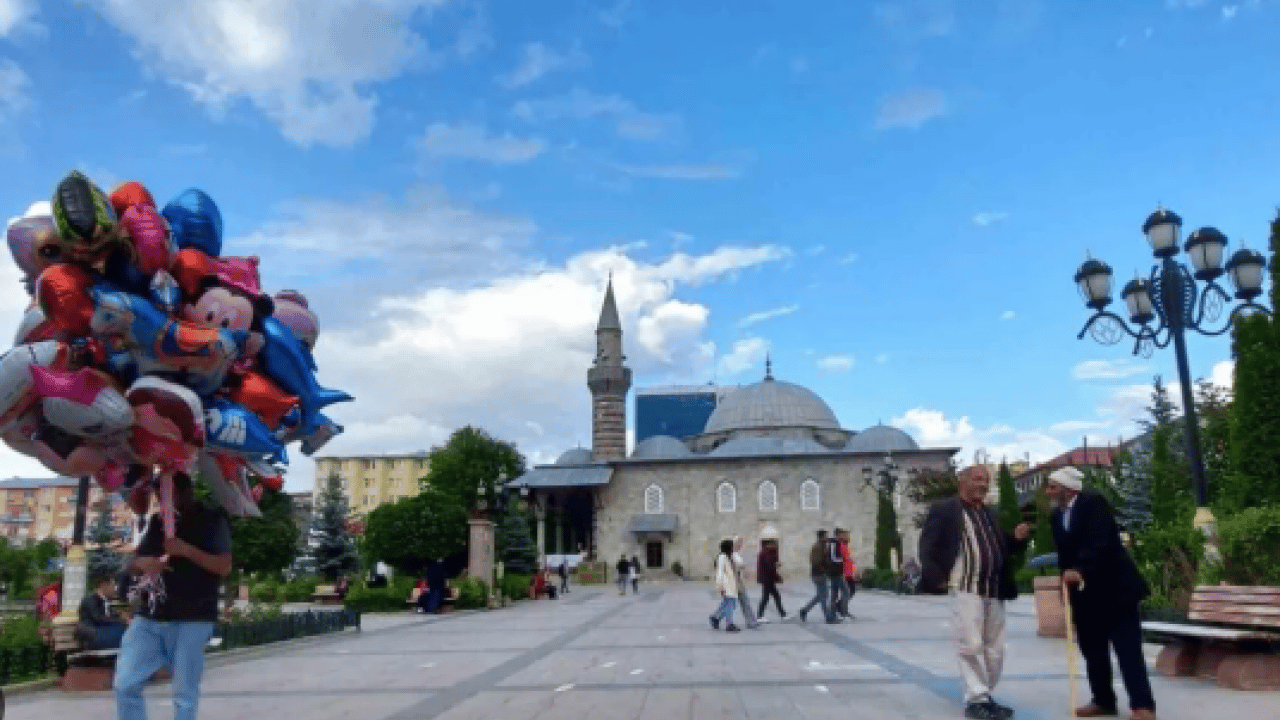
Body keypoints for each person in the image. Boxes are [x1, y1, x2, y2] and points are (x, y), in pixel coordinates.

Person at [114, 472, 233, 720]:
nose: (163, 500)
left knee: (184, 694)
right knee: (125, 683)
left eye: (167, 493)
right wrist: (141, 563)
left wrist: (186, 550)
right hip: (150, 616)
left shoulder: (210, 519)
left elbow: (224, 566)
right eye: (158, 495)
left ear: (184, 491)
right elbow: (135, 561)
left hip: (193, 616)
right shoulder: (157, 523)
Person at [919, 466, 1030, 720]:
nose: (983, 484)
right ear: (963, 481)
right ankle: (976, 698)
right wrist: (935, 575)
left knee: (995, 648)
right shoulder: (945, 509)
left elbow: (1001, 545)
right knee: (970, 644)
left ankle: (984, 696)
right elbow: (928, 544)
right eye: (978, 479)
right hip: (966, 586)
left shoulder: (990, 512)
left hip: (994, 588)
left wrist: (1016, 538)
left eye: (986, 480)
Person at [1047, 467, 1156, 720]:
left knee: (1127, 649)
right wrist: (1066, 583)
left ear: (1069, 488)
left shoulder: (1093, 503)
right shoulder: (1056, 516)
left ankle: (1142, 706)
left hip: (1114, 589)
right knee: (1093, 649)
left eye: (1053, 486)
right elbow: (1065, 554)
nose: (1049, 492)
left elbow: (1101, 542)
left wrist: (1080, 569)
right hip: (1085, 595)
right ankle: (1103, 700)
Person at [77, 573, 129, 650]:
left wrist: (122, 618)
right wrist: (121, 621)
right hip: (93, 638)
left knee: (127, 630)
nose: (115, 590)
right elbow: (98, 619)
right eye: (113, 586)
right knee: (123, 631)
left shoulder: (106, 603)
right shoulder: (90, 600)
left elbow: (111, 618)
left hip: (104, 636)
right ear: (105, 586)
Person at [798, 530, 835, 623]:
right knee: (823, 596)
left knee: (821, 595)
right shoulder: (818, 547)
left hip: (818, 574)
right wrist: (825, 568)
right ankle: (828, 617)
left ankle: (804, 610)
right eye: (826, 536)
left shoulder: (820, 546)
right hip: (819, 574)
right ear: (822, 537)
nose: (827, 538)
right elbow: (816, 561)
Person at [709, 538, 741, 632]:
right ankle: (729, 624)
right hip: (726, 585)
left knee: (728, 604)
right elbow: (720, 572)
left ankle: (715, 617)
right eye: (732, 546)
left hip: (731, 585)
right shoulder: (722, 557)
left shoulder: (729, 556)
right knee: (730, 605)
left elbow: (738, 565)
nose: (733, 548)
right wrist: (720, 586)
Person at [731, 536, 760, 628]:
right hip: (734, 583)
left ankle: (751, 621)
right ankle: (716, 616)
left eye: (741, 543)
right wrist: (742, 566)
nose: (740, 545)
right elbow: (733, 567)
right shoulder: (732, 555)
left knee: (744, 602)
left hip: (738, 582)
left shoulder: (737, 554)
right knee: (731, 603)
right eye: (738, 543)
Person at [756, 538, 786, 621]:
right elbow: (769, 566)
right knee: (767, 597)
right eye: (774, 544)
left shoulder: (768, 552)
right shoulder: (766, 552)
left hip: (768, 578)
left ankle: (782, 614)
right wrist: (776, 565)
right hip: (767, 578)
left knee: (774, 596)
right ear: (769, 544)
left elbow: (771, 565)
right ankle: (760, 616)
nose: (776, 546)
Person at [824, 529, 846, 623]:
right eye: (843, 534)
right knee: (845, 592)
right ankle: (839, 612)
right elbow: (832, 558)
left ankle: (832, 616)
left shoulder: (837, 543)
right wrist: (842, 560)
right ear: (839, 534)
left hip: (836, 572)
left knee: (834, 595)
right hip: (835, 573)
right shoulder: (834, 543)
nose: (844, 535)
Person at [838, 529, 856, 618]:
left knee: (850, 591)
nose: (848, 537)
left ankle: (841, 606)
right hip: (845, 573)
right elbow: (842, 559)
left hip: (849, 573)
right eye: (846, 535)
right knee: (849, 591)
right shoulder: (841, 545)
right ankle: (841, 608)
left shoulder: (846, 545)